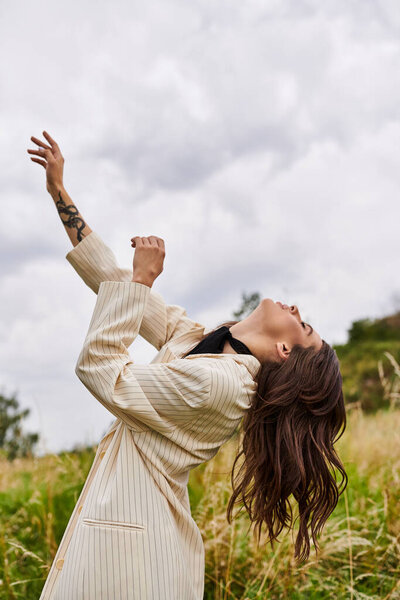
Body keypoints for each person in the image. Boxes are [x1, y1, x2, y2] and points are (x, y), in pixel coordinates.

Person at [28, 132, 348, 600]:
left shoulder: (219, 384)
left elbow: (102, 370)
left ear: (285, 351)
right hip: (131, 546)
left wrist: (142, 279)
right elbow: (117, 286)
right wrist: (60, 192)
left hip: (133, 564)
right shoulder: (211, 344)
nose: (296, 310)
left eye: (304, 326)